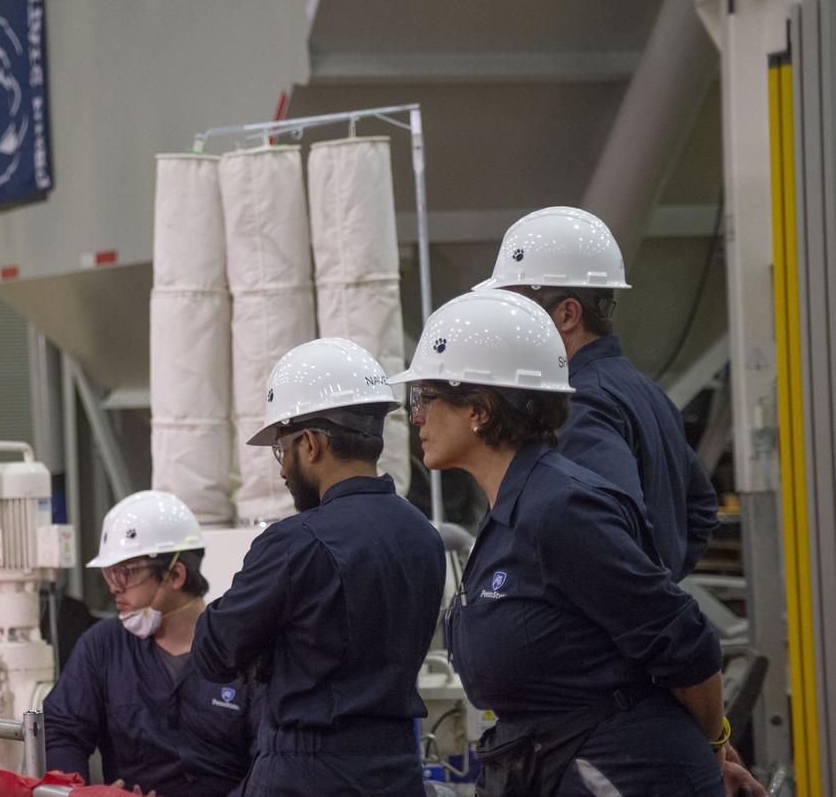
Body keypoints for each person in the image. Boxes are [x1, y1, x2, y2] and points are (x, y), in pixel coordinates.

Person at [391, 289, 763, 797]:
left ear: (478, 409)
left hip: (619, 772)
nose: (416, 418)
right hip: (557, 764)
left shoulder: (561, 507)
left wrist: (713, 743)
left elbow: (681, 637)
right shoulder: (514, 509)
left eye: (424, 398)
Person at [192, 337, 446, 797]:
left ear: (309, 444)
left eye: (281, 450)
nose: (282, 471)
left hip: (306, 773)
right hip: (397, 771)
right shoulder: (423, 536)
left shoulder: (295, 543)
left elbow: (214, 652)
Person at [475, 205, 718, 581]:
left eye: (519, 308)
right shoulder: (646, 393)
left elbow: (604, 534)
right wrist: (662, 581)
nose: (509, 324)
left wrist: (641, 594)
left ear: (568, 315)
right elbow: (700, 508)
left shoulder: (578, 404)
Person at [43, 490, 260, 797]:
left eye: (127, 573)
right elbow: (61, 732)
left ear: (175, 574)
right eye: (110, 574)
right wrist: (83, 792)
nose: (115, 589)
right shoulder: (102, 646)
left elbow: (272, 759)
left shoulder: (247, 650)